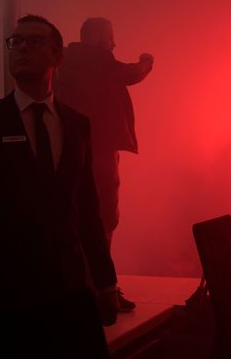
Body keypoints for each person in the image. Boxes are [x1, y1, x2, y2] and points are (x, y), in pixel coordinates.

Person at [0, 15, 118, 357]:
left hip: (69, 289)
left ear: (58, 57)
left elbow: (87, 209)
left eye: (34, 41)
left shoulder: (76, 125)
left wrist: (105, 279)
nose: (22, 47)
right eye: (16, 41)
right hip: (8, 292)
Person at [55, 17, 153, 311]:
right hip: (100, 150)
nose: (114, 43)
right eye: (111, 37)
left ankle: (84, 285)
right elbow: (131, 73)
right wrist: (147, 61)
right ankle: (101, 287)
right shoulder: (97, 59)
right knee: (104, 216)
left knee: (80, 216)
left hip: (74, 149)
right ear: (97, 37)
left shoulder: (65, 62)